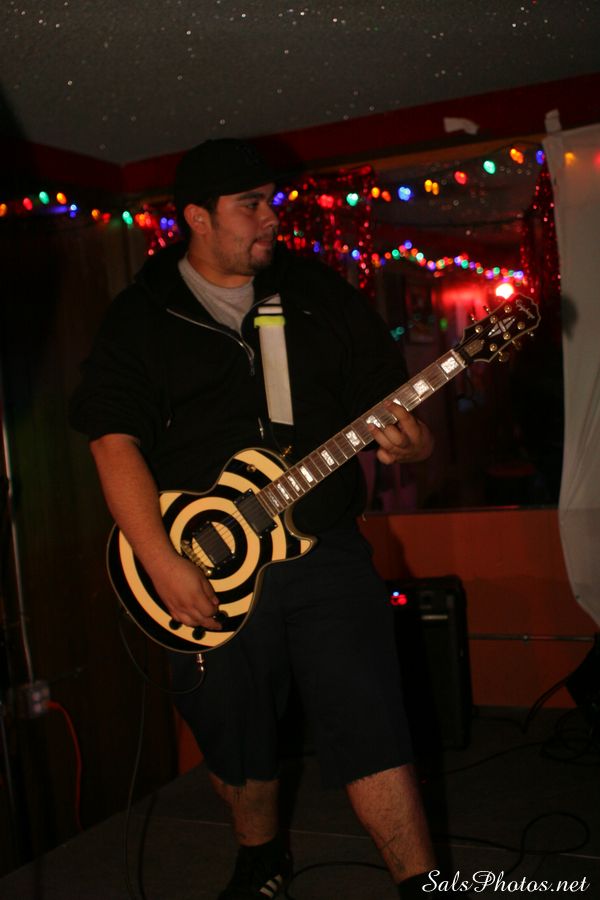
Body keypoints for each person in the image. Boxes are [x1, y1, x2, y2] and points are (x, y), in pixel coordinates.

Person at [70, 138, 438, 899]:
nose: (272, 218)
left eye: (270, 201)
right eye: (251, 205)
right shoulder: (141, 315)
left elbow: (389, 402)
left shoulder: (317, 292)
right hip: (204, 561)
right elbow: (112, 441)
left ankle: (422, 885)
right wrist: (161, 561)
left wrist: (413, 440)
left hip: (325, 548)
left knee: (371, 718)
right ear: (197, 217)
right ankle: (261, 857)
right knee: (236, 738)